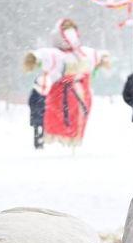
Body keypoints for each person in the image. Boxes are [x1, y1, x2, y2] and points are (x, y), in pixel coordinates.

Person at [22, 19, 110, 147]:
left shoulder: (83, 53)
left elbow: (95, 57)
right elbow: (44, 56)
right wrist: (34, 59)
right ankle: (58, 137)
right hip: (64, 93)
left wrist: (102, 59)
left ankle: (71, 138)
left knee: (75, 117)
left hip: (80, 93)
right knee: (63, 116)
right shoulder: (57, 55)